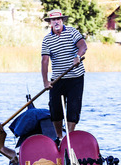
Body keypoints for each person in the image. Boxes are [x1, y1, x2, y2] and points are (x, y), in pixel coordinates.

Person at [41, 9, 87, 139]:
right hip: (57, 79)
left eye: (58, 19)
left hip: (75, 77)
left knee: (73, 107)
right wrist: (45, 81)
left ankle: (69, 137)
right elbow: (45, 61)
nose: (56, 22)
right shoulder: (47, 40)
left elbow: (83, 45)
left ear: (62, 21)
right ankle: (59, 137)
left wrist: (78, 56)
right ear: (50, 22)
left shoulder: (72, 32)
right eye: (53, 20)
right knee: (55, 108)